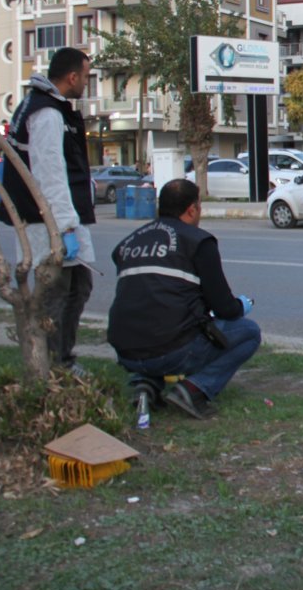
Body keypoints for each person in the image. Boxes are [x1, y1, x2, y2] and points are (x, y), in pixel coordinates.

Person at [107, 179, 261, 419]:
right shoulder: (199, 241)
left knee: (156, 323)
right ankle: (193, 390)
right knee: (248, 332)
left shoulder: (129, 242)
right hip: (172, 349)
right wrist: (241, 306)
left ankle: (144, 384)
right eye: (199, 205)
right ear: (192, 209)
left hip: (125, 350)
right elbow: (224, 307)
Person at [0, 46, 95, 377]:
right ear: (71, 77)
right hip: (49, 224)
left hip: (56, 221)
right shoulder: (47, 113)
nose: (86, 82)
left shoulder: (42, 105)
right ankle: (54, 365)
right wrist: (65, 229)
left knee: (79, 286)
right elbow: (49, 173)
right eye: (85, 76)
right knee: (56, 296)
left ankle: (61, 358)